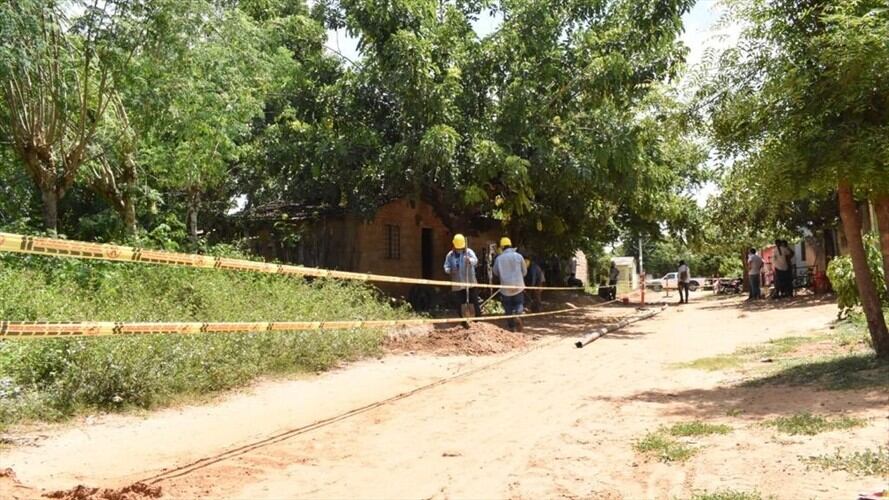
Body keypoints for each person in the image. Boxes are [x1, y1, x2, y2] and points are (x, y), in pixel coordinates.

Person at [493, 237, 527, 331]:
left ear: (502, 247)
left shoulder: (499, 259)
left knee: (507, 307)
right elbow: (524, 271)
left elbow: (495, 272)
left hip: (505, 287)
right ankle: (517, 314)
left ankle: (512, 327)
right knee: (519, 303)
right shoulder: (518, 256)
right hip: (518, 285)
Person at [443, 234, 481, 319]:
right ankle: (464, 322)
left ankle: (477, 321)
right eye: (458, 248)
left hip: (470, 282)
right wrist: (450, 270)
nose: (459, 249)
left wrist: (470, 260)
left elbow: (475, 261)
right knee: (460, 304)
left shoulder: (469, 252)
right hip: (457, 284)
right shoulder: (450, 255)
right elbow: (446, 266)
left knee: (474, 302)